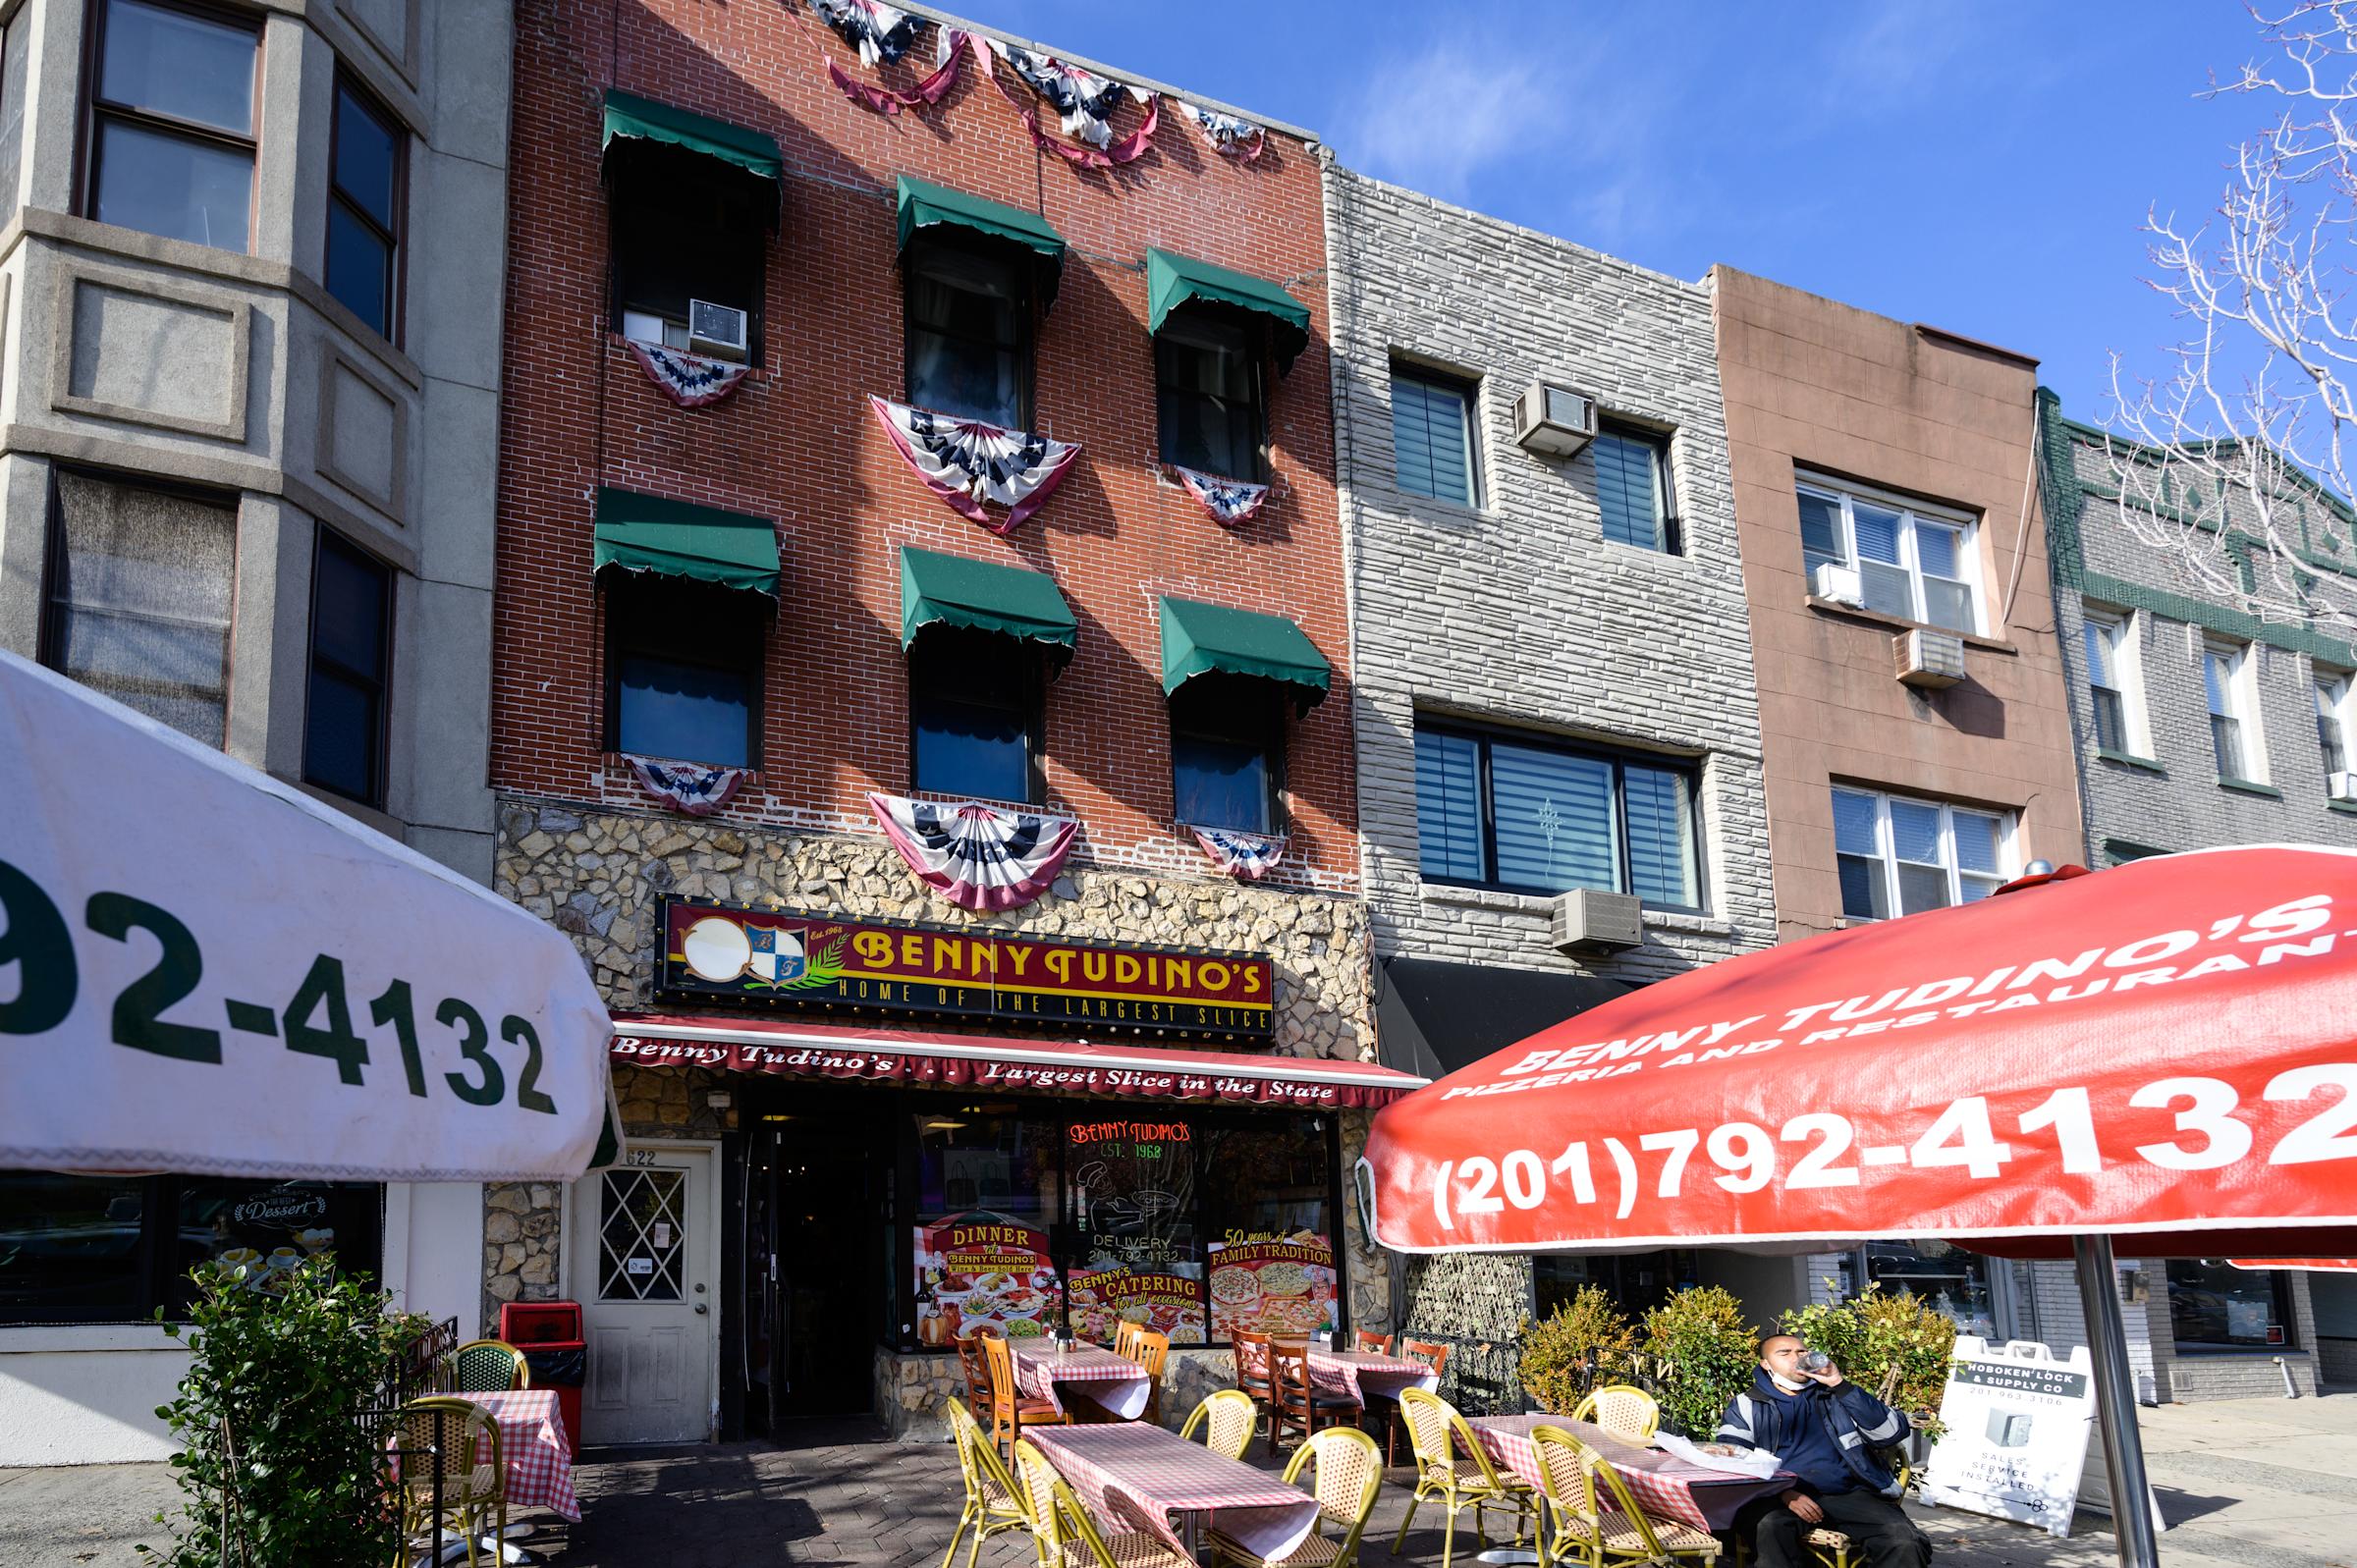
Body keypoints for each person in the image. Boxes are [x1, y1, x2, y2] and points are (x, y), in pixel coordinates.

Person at [1716, 1333, 1930, 1568]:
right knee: (1769, 1527)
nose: (1795, 1357)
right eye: (1784, 1353)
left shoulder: (1837, 1395)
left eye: (1801, 1351)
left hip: (1847, 1493)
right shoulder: (1747, 1404)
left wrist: (1839, 1383)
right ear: (1766, 1364)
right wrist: (1784, 1493)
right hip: (1779, 1497)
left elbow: (1890, 1433)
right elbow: (1735, 1461)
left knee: (1904, 1540)